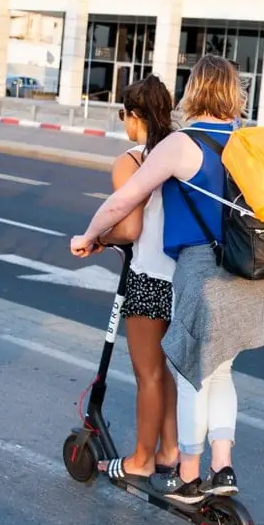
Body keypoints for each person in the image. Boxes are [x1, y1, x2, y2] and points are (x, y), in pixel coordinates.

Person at [70, 54, 264, 504]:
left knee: (192, 375)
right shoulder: (246, 142)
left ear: (195, 90)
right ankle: (222, 466)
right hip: (249, 269)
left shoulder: (181, 143)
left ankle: (187, 475)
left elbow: (125, 200)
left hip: (201, 270)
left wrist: (89, 235)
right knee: (222, 373)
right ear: (234, 92)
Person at [76, 75, 180, 481]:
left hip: (150, 275)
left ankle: (142, 458)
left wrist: (100, 237)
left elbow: (131, 227)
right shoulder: (179, 152)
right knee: (165, 369)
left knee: (146, 371)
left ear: (135, 115)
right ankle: (170, 449)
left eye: (124, 114)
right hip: (183, 276)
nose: (124, 122)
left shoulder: (132, 160)